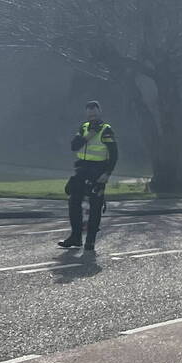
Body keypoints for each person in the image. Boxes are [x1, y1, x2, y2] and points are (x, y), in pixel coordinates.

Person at [58, 101, 118, 251]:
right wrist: (88, 136)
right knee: (73, 201)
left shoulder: (106, 130)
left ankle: (90, 241)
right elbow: (74, 146)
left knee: (95, 207)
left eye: (95, 114)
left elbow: (114, 155)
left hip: (98, 171)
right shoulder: (84, 127)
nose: (93, 117)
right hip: (82, 169)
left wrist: (107, 174)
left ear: (100, 112)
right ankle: (76, 237)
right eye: (90, 114)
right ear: (86, 114)